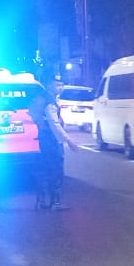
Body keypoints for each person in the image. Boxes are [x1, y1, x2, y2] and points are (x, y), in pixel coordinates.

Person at [32, 76, 80, 210]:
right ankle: (55, 202)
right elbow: (55, 124)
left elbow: (32, 111)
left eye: (62, 85)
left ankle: (42, 200)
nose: (61, 88)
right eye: (57, 85)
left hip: (44, 137)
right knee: (56, 169)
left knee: (44, 168)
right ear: (49, 86)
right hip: (52, 139)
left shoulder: (41, 98)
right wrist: (69, 140)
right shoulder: (50, 102)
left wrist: (39, 123)